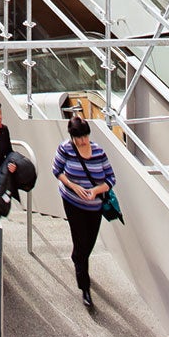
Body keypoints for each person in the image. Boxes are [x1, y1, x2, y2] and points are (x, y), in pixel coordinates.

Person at [53, 116, 115, 309]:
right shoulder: (66, 149)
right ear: (72, 137)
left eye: (85, 136)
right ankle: (85, 288)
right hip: (72, 202)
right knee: (81, 244)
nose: (82, 141)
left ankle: (78, 258)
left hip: (94, 205)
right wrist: (73, 186)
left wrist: (95, 191)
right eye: (78, 138)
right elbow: (57, 170)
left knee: (89, 242)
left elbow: (111, 178)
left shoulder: (98, 152)